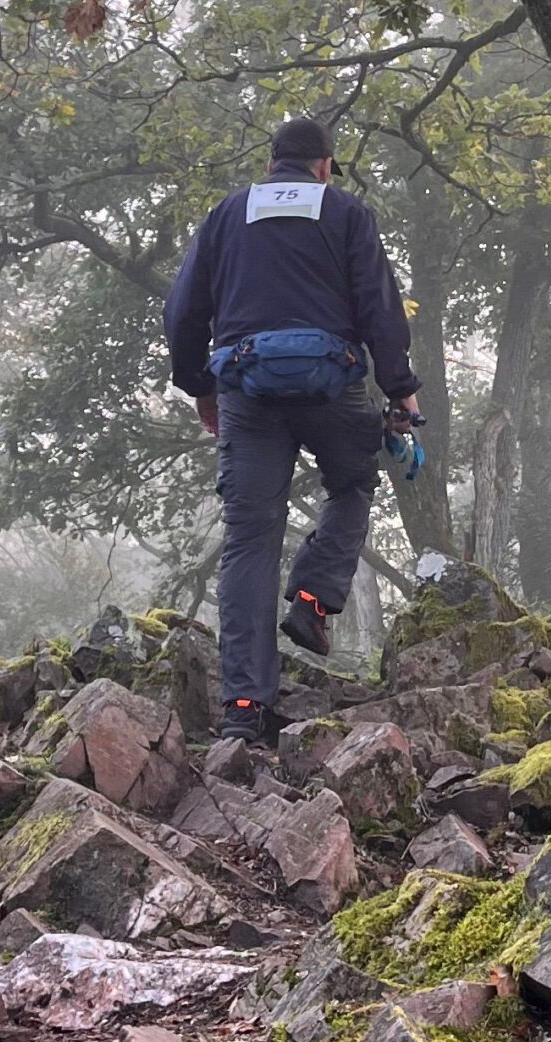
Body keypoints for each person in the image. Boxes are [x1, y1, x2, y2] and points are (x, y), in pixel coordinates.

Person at [163, 116, 421, 746]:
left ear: (271, 162)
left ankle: (244, 705)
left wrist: (200, 385)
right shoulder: (345, 212)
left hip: (247, 394)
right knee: (354, 484)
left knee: (250, 540)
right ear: (325, 166)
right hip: (332, 386)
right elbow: (378, 306)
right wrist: (400, 390)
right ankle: (310, 600)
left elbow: (184, 308)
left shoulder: (229, 214)